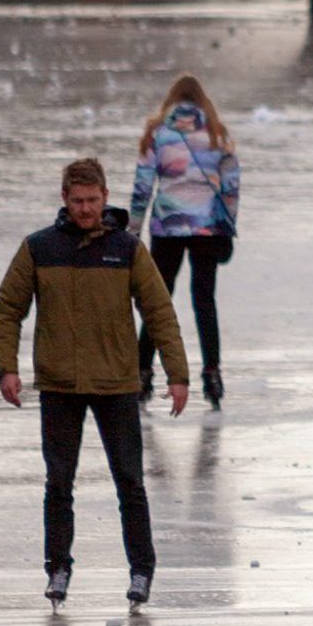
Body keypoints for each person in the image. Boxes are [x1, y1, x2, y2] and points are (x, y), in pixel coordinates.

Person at [0, 158, 189, 608]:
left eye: (93, 201)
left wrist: (177, 374)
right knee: (59, 482)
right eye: (78, 201)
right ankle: (57, 569)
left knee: (130, 482)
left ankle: (141, 571)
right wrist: (7, 367)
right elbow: (8, 308)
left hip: (116, 384)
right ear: (65, 199)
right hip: (60, 384)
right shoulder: (39, 248)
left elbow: (159, 313)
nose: (85, 209)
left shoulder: (126, 249)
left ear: (105, 197)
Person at [131, 75, 238, 410]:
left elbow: (142, 187)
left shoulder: (157, 133)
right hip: (207, 226)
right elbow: (231, 186)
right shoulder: (218, 133)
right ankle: (212, 374)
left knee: (158, 301)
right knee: (204, 301)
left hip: (168, 226)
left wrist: (133, 231)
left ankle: (142, 372)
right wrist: (229, 224)